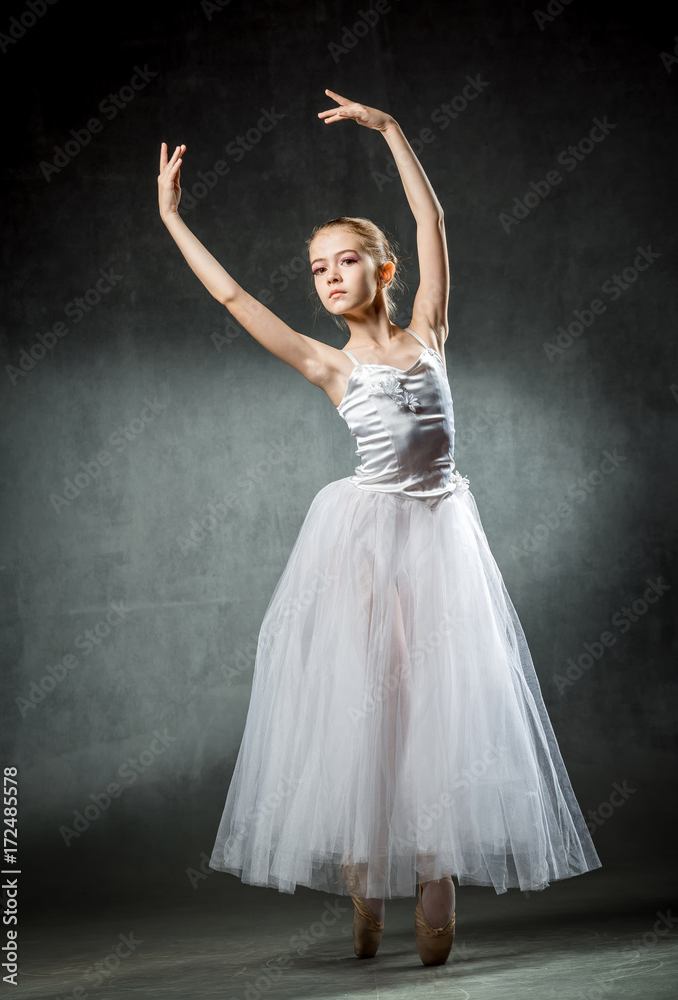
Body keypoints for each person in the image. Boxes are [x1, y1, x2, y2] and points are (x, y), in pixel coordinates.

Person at [157, 89, 602, 966]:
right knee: (375, 705)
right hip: (363, 545)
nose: (328, 275)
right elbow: (234, 298)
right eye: (317, 266)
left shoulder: (431, 331)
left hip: (443, 535)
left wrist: (394, 130)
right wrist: (172, 218)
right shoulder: (328, 364)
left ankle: (433, 880)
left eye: (346, 260)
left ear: (383, 272)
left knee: (444, 702)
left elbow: (431, 219)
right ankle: (367, 884)